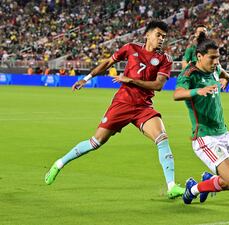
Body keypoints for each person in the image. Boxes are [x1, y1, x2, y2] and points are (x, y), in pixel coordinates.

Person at [44, 20, 185, 199]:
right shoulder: (130, 48)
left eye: (164, 37)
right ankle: (59, 163)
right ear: (147, 34)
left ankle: (171, 186)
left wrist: (131, 80)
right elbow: (107, 63)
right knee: (96, 142)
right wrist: (85, 79)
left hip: (143, 107)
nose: (161, 39)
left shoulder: (165, 59)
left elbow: (158, 85)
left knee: (162, 138)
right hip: (122, 104)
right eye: (158, 35)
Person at [173, 34, 229, 204]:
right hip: (205, 137)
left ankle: (210, 180)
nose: (215, 61)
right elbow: (177, 94)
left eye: (218, 57)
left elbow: (226, 75)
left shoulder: (215, 69)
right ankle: (192, 189)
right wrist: (196, 91)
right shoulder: (190, 74)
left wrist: (225, 79)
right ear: (199, 56)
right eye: (212, 57)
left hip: (224, 133)